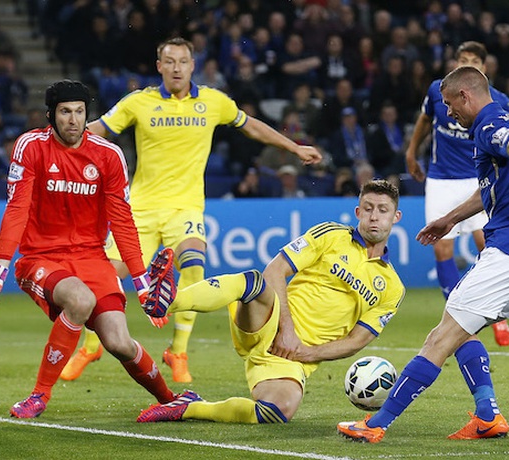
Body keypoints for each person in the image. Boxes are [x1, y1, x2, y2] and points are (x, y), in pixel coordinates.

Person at [64, 37, 323, 384]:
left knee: (193, 267)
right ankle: (92, 343)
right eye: (169, 61)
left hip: (185, 208)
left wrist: (293, 147)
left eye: (182, 61)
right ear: (159, 66)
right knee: (107, 276)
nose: (176, 68)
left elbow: (252, 126)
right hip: (139, 209)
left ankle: (178, 351)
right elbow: (96, 130)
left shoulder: (213, 102)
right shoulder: (138, 103)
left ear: (192, 65)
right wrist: (57, 141)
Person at [338, 66, 509, 443]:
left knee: (438, 339)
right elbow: (494, 185)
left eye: (449, 103)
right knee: (461, 331)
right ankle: (487, 416)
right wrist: (449, 219)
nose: (448, 112)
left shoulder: (490, 125)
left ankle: (374, 425)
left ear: (466, 96)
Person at [0, 80, 183, 418]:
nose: (73, 120)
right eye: (65, 112)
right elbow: (17, 208)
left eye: (79, 112)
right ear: (51, 115)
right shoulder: (31, 146)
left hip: (93, 260)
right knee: (79, 300)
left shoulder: (108, 155)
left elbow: (121, 221)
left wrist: (141, 281)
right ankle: (39, 396)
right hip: (41, 259)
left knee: (119, 342)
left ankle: (171, 400)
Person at [135, 179, 406, 424]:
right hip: (269, 321)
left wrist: (303, 353)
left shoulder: (393, 288)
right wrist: (286, 330)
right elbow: (275, 270)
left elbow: (356, 341)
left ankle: (190, 407)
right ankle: (168, 300)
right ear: (357, 212)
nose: (374, 217)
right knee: (255, 282)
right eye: (368, 208)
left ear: (395, 217)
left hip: (289, 359)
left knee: (278, 412)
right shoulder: (331, 235)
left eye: (382, 210)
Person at [405, 41, 509, 347]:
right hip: (441, 178)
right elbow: (424, 120)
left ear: (484, 66)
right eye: (462, 60)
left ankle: (497, 313)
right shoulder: (438, 91)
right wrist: (412, 152)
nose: (467, 64)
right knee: (442, 249)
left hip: (478, 180)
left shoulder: (500, 101)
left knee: (487, 246)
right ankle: (455, 318)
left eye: (473, 61)